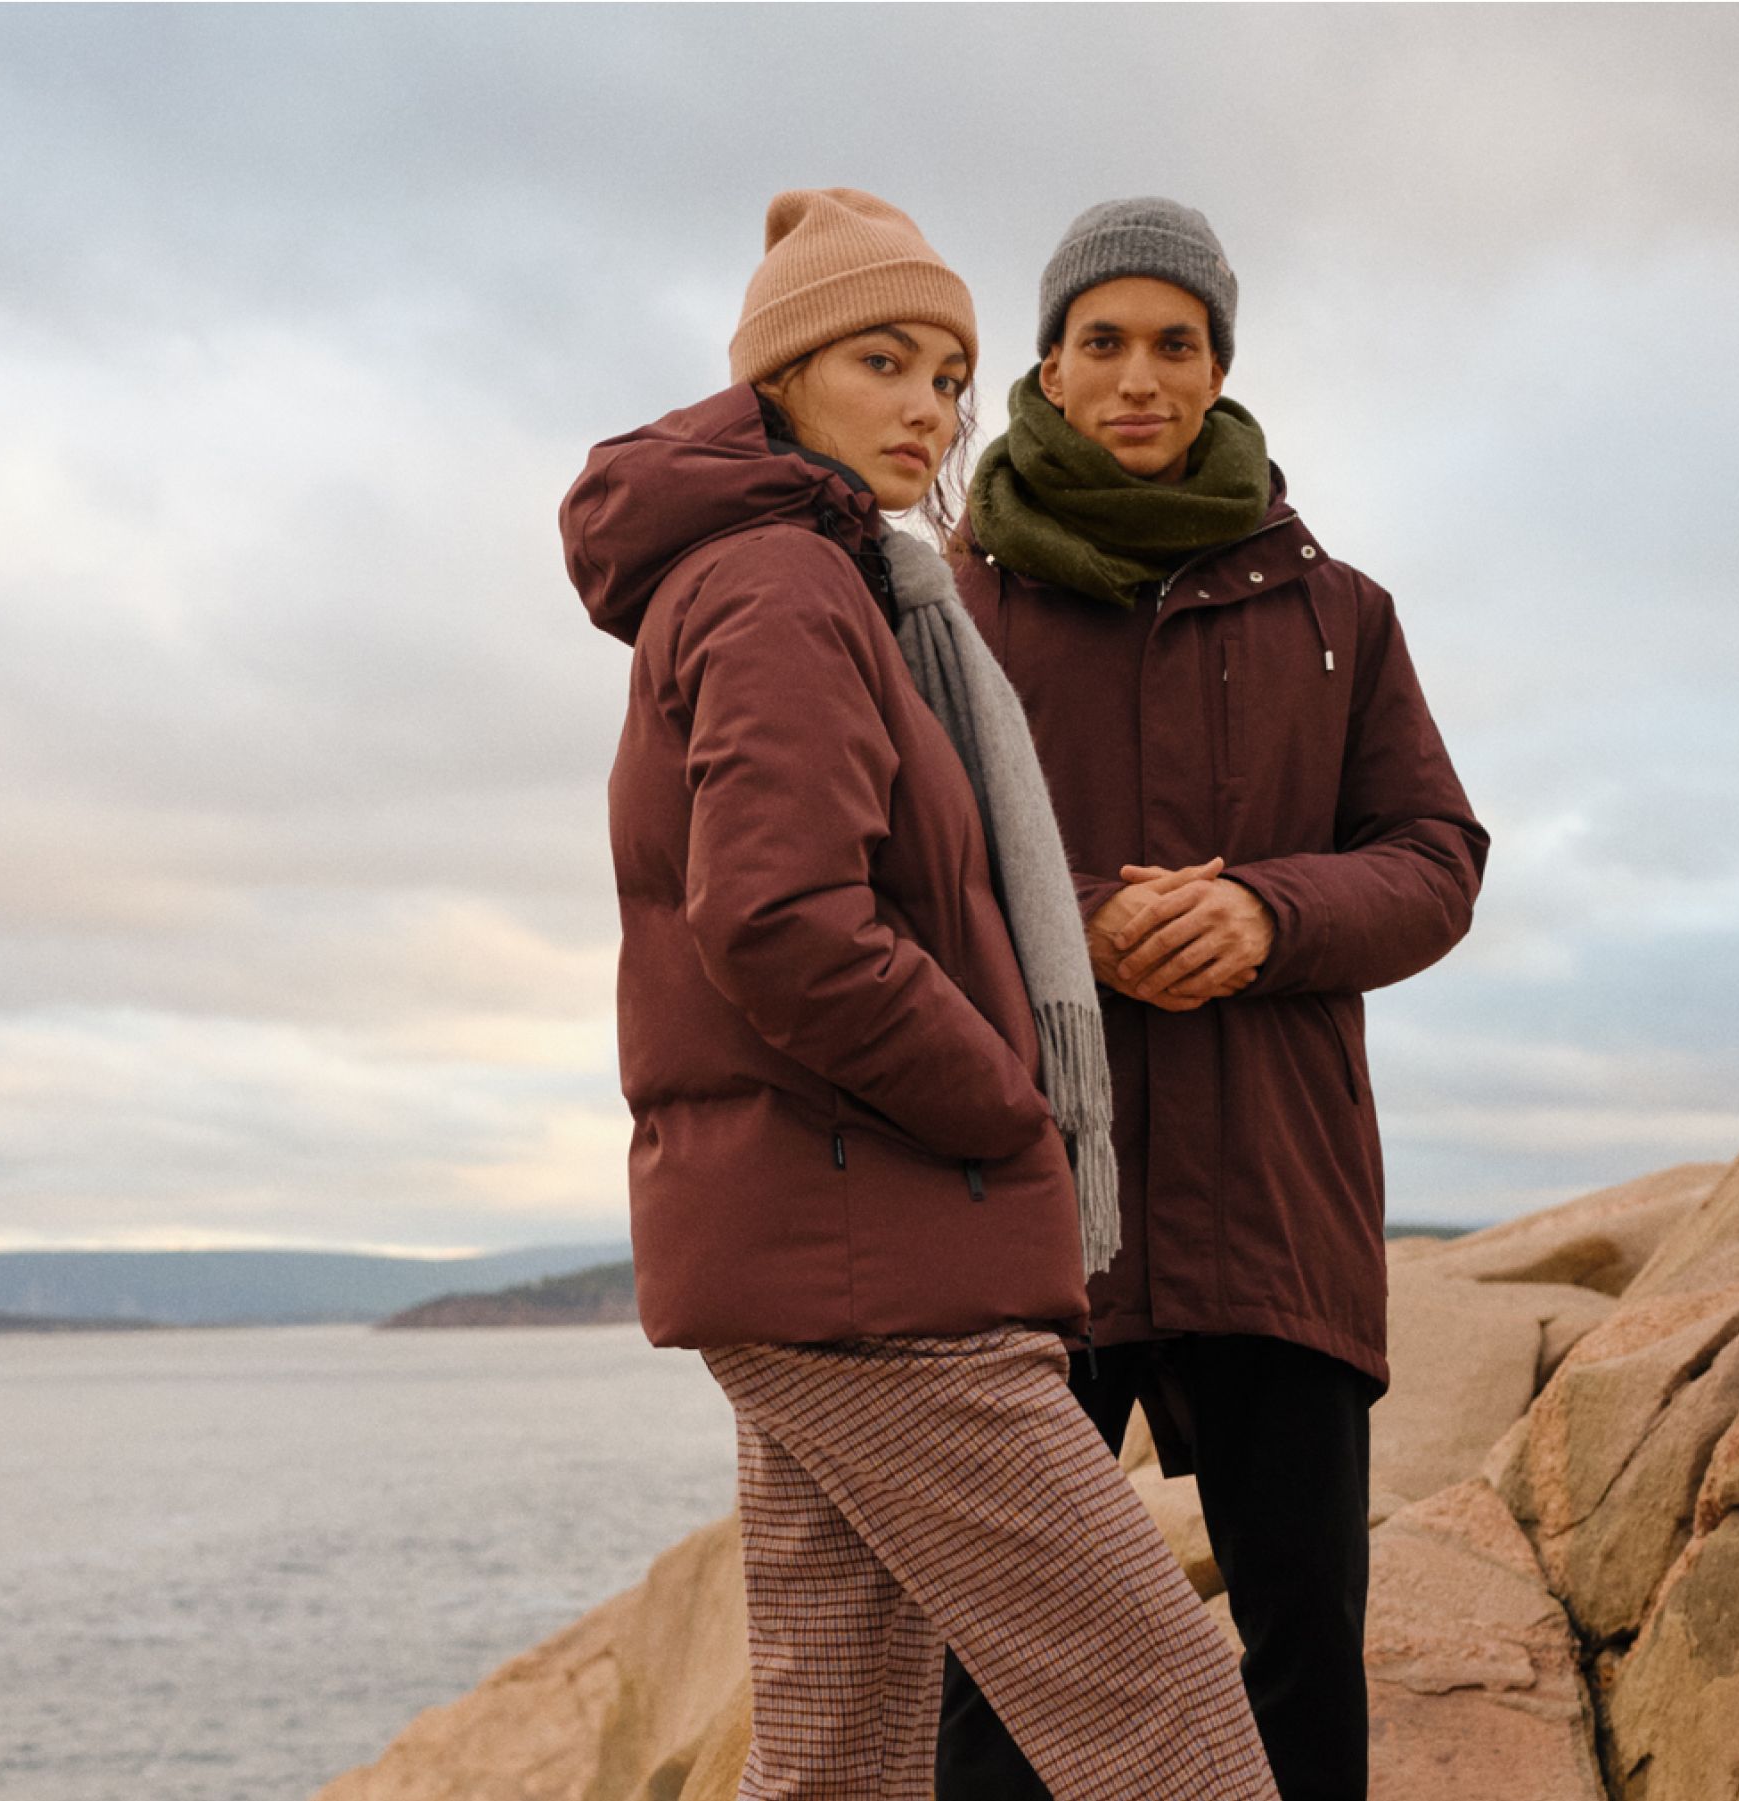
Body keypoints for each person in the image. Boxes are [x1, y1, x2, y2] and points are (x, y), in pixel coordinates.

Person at [560, 187, 1278, 1801]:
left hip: (814, 1244)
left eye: (949, 375)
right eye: (881, 360)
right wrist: (1001, 1100)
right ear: (780, 380)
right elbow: (780, 919)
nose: (927, 406)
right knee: (1171, 1732)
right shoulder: (781, 587)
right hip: (872, 1252)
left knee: (839, 1751)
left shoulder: (801, 578)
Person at [932, 199, 1491, 1801]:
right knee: (999, 1667)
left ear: (1217, 365)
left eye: (1173, 343)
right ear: (1044, 363)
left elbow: (1435, 855)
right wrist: (1088, 924)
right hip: (1034, 1200)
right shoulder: (947, 608)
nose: (1136, 376)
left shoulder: (1340, 614)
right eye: (1100, 340)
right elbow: (901, 865)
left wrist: (1267, 910)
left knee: (1304, 1646)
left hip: (1276, 1200)